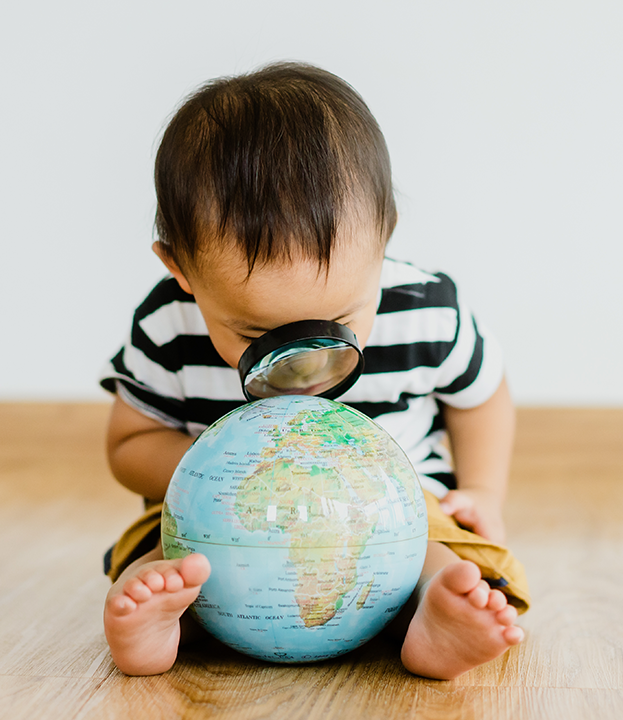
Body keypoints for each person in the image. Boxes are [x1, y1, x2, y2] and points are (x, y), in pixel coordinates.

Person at [100, 61, 530, 680]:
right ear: (181, 271)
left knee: (444, 549)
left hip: (395, 512)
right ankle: (165, 614)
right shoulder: (169, 323)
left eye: (340, 323)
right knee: (164, 550)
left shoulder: (425, 309)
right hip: (221, 522)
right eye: (255, 335)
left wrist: (484, 491)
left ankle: (432, 613)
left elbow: (482, 397)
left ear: (383, 242)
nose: (302, 364)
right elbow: (127, 443)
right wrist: (225, 480)